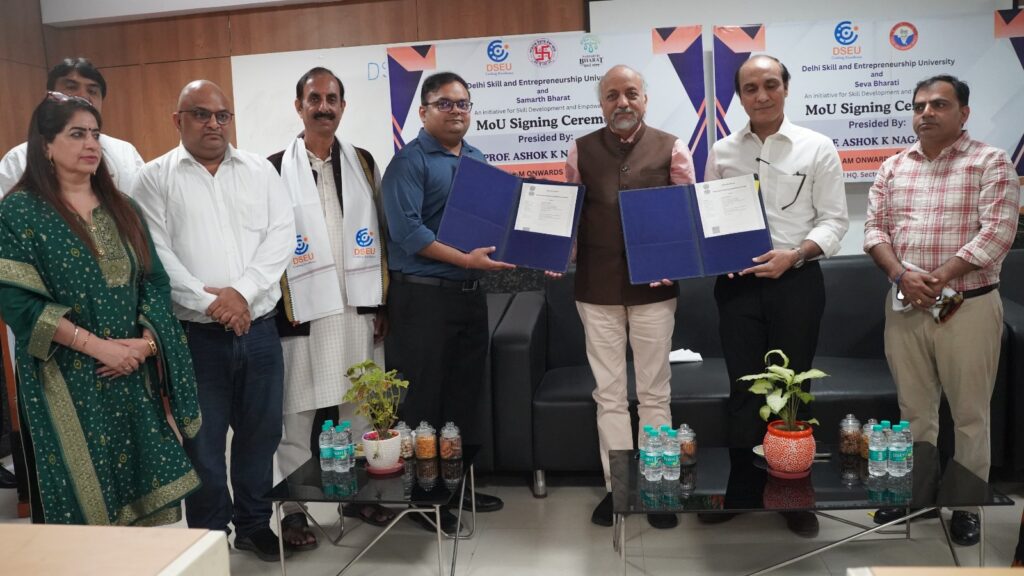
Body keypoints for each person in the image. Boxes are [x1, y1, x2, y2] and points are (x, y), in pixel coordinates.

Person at [0, 93, 200, 525]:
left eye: (95, 133)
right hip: (65, 379)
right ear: (46, 145)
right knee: (85, 506)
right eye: (77, 134)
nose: (91, 143)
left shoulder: (124, 208)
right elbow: (18, 304)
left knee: (144, 498)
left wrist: (146, 345)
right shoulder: (18, 212)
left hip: (132, 375)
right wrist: (100, 348)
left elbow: (154, 282)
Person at [133, 80, 295, 561]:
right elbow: (156, 255)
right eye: (201, 114)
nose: (213, 124)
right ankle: (208, 537)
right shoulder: (152, 179)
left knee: (261, 435)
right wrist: (214, 305)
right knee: (201, 443)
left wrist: (241, 294)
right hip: (195, 338)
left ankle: (253, 524)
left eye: (222, 115)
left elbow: (281, 238)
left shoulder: (260, 171)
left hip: (259, 330)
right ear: (178, 120)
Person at [864, 74, 1019, 546]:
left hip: (967, 306)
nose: (926, 113)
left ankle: (967, 504)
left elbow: (997, 233)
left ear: (963, 113)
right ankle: (916, 496)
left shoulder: (990, 162)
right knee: (914, 411)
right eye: (919, 106)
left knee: (970, 414)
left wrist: (939, 277)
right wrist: (901, 276)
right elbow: (874, 231)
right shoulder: (893, 166)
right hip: (905, 304)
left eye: (939, 104)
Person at [703, 54, 849, 538]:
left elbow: (835, 221)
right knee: (744, 390)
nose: (761, 95)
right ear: (739, 97)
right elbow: (709, 217)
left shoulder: (816, 146)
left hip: (797, 281)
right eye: (750, 88)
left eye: (770, 85)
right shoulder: (723, 151)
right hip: (738, 286)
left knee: (792, 390)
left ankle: (792, 494)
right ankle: (742, 492)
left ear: (786, 88)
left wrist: (796, 254)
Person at [267, 67, 395, 549]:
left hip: (356, 308)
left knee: (359, 411)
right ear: (299, 106)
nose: (324, 107)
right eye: (314, 98)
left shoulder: (362, 162)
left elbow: (380, 233)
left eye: (332, 98)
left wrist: (383, 302)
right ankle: (294, 511)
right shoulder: (273, 167)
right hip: (301, 312)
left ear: (343, 106)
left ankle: (359, 496)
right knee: (296, 417)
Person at [563, 64, 694, 529]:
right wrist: (552, 251)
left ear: (645, 99)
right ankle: (617, 487)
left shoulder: (673, 147)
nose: (622, 102)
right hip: (595, 289)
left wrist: (676, 260)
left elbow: (687, 218)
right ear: (601, 104)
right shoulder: (580, 150)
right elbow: (568, 216)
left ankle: (657, 487)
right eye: (612, 95)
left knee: (655, 392)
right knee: (609, 395)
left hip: (654, 291)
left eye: (631, 93)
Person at [382, 71, 512, 533]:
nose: (456, 111)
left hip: (469, 298)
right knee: (424, 402)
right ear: (423, 111)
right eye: (445, 103)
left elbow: (493, 223)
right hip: (423, 300)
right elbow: (408, 233)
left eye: (462, 103)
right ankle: (425, 499)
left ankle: (457, 487)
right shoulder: (408, 162)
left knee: (463, 399)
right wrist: (465, 260)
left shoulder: (477, 159)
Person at [0, 58, 144, 197]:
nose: (83, 96)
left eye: (92, 91)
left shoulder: (125, 152)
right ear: (50, 96)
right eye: (71, 87)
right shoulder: (19, 158)